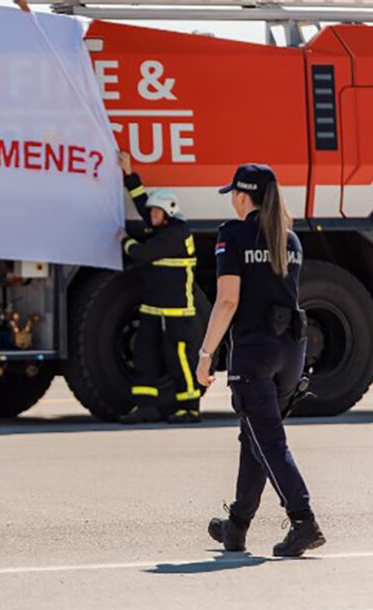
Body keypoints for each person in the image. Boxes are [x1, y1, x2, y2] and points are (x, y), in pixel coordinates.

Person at [196, 164, 325, 557]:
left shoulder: (231, 235)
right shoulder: (289, 239)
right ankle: (236, 525)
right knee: (254, 437)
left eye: (233, 193)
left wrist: (206, 356)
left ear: (242, 196)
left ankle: (303, 521)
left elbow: (228, 300)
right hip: (291, 351)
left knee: (267, 439)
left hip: (255, 354)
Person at [117, 151, 203, 424]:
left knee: (178, 360)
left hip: (177, 313)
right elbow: (143, 202)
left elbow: (140, 253)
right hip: (154, 308)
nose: (150, 215)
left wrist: (124, 240)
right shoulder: (163, 225)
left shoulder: (176, 235)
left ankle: (189, 408)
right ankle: (146, 406)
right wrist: (129, 173)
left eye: (156, 212)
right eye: (152, 212)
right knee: (145, 356)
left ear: (167, 213)